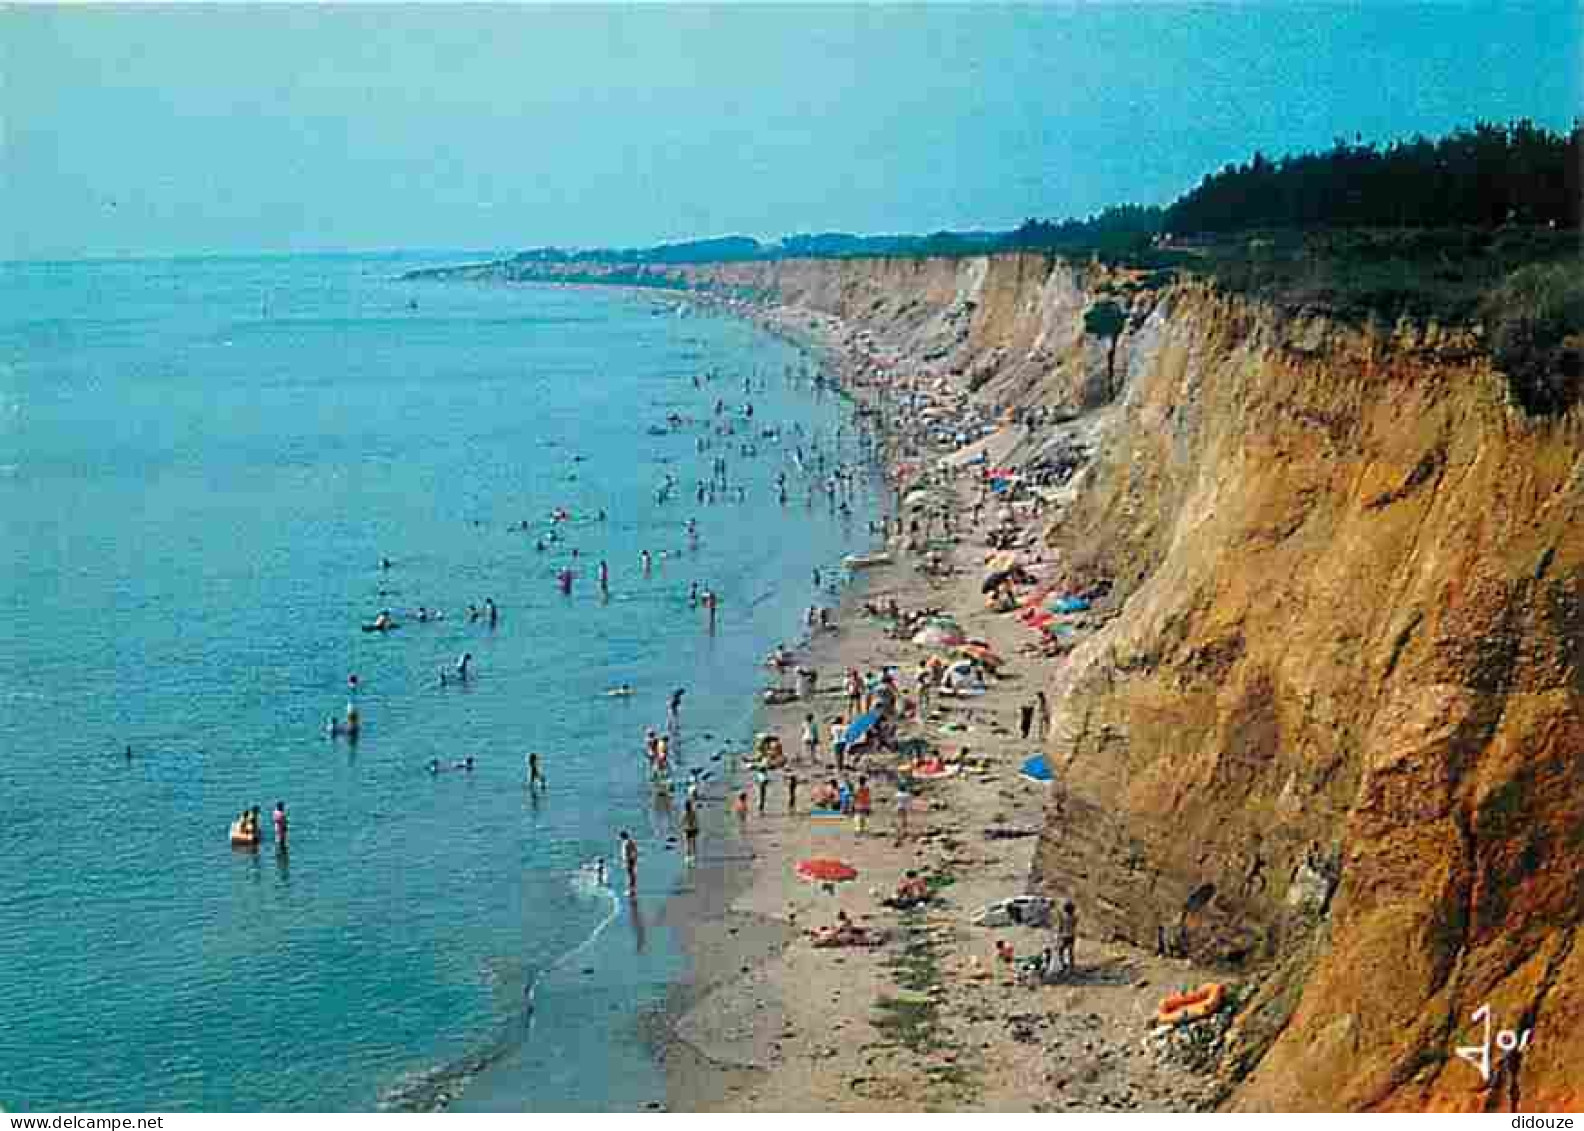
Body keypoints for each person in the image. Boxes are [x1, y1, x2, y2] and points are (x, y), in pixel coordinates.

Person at [1056, 900, 1079, 973]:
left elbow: (1060, 927)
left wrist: (1058, 936)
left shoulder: (1063, 917)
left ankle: (1063, 966)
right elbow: (1074, 924)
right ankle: (1071, 967)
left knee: (1060, 951)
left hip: (1064, 936)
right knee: (1070, 951)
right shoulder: (1074, 917)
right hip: (1072, 936)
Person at [619, 830, 639, 895]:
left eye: (620, 837)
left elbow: (629, 853)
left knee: (630, 876)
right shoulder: (630, 841)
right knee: (631, 875)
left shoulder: (627, 842)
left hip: (629, 861)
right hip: (630, 860)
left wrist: (627, 861)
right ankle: (632, 890)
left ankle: (631, 891)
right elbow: (635, 851)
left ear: (622, 836)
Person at [681, 797, 700, 861]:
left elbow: (682, 822)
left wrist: (680, 828)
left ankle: (688, 856)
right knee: (693, 843)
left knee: (687, 843)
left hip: (686, 829)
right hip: (692, 829)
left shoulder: (684, 813)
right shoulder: (693, 812)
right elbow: (696, 821)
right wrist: (697, 828)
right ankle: (693, 855)